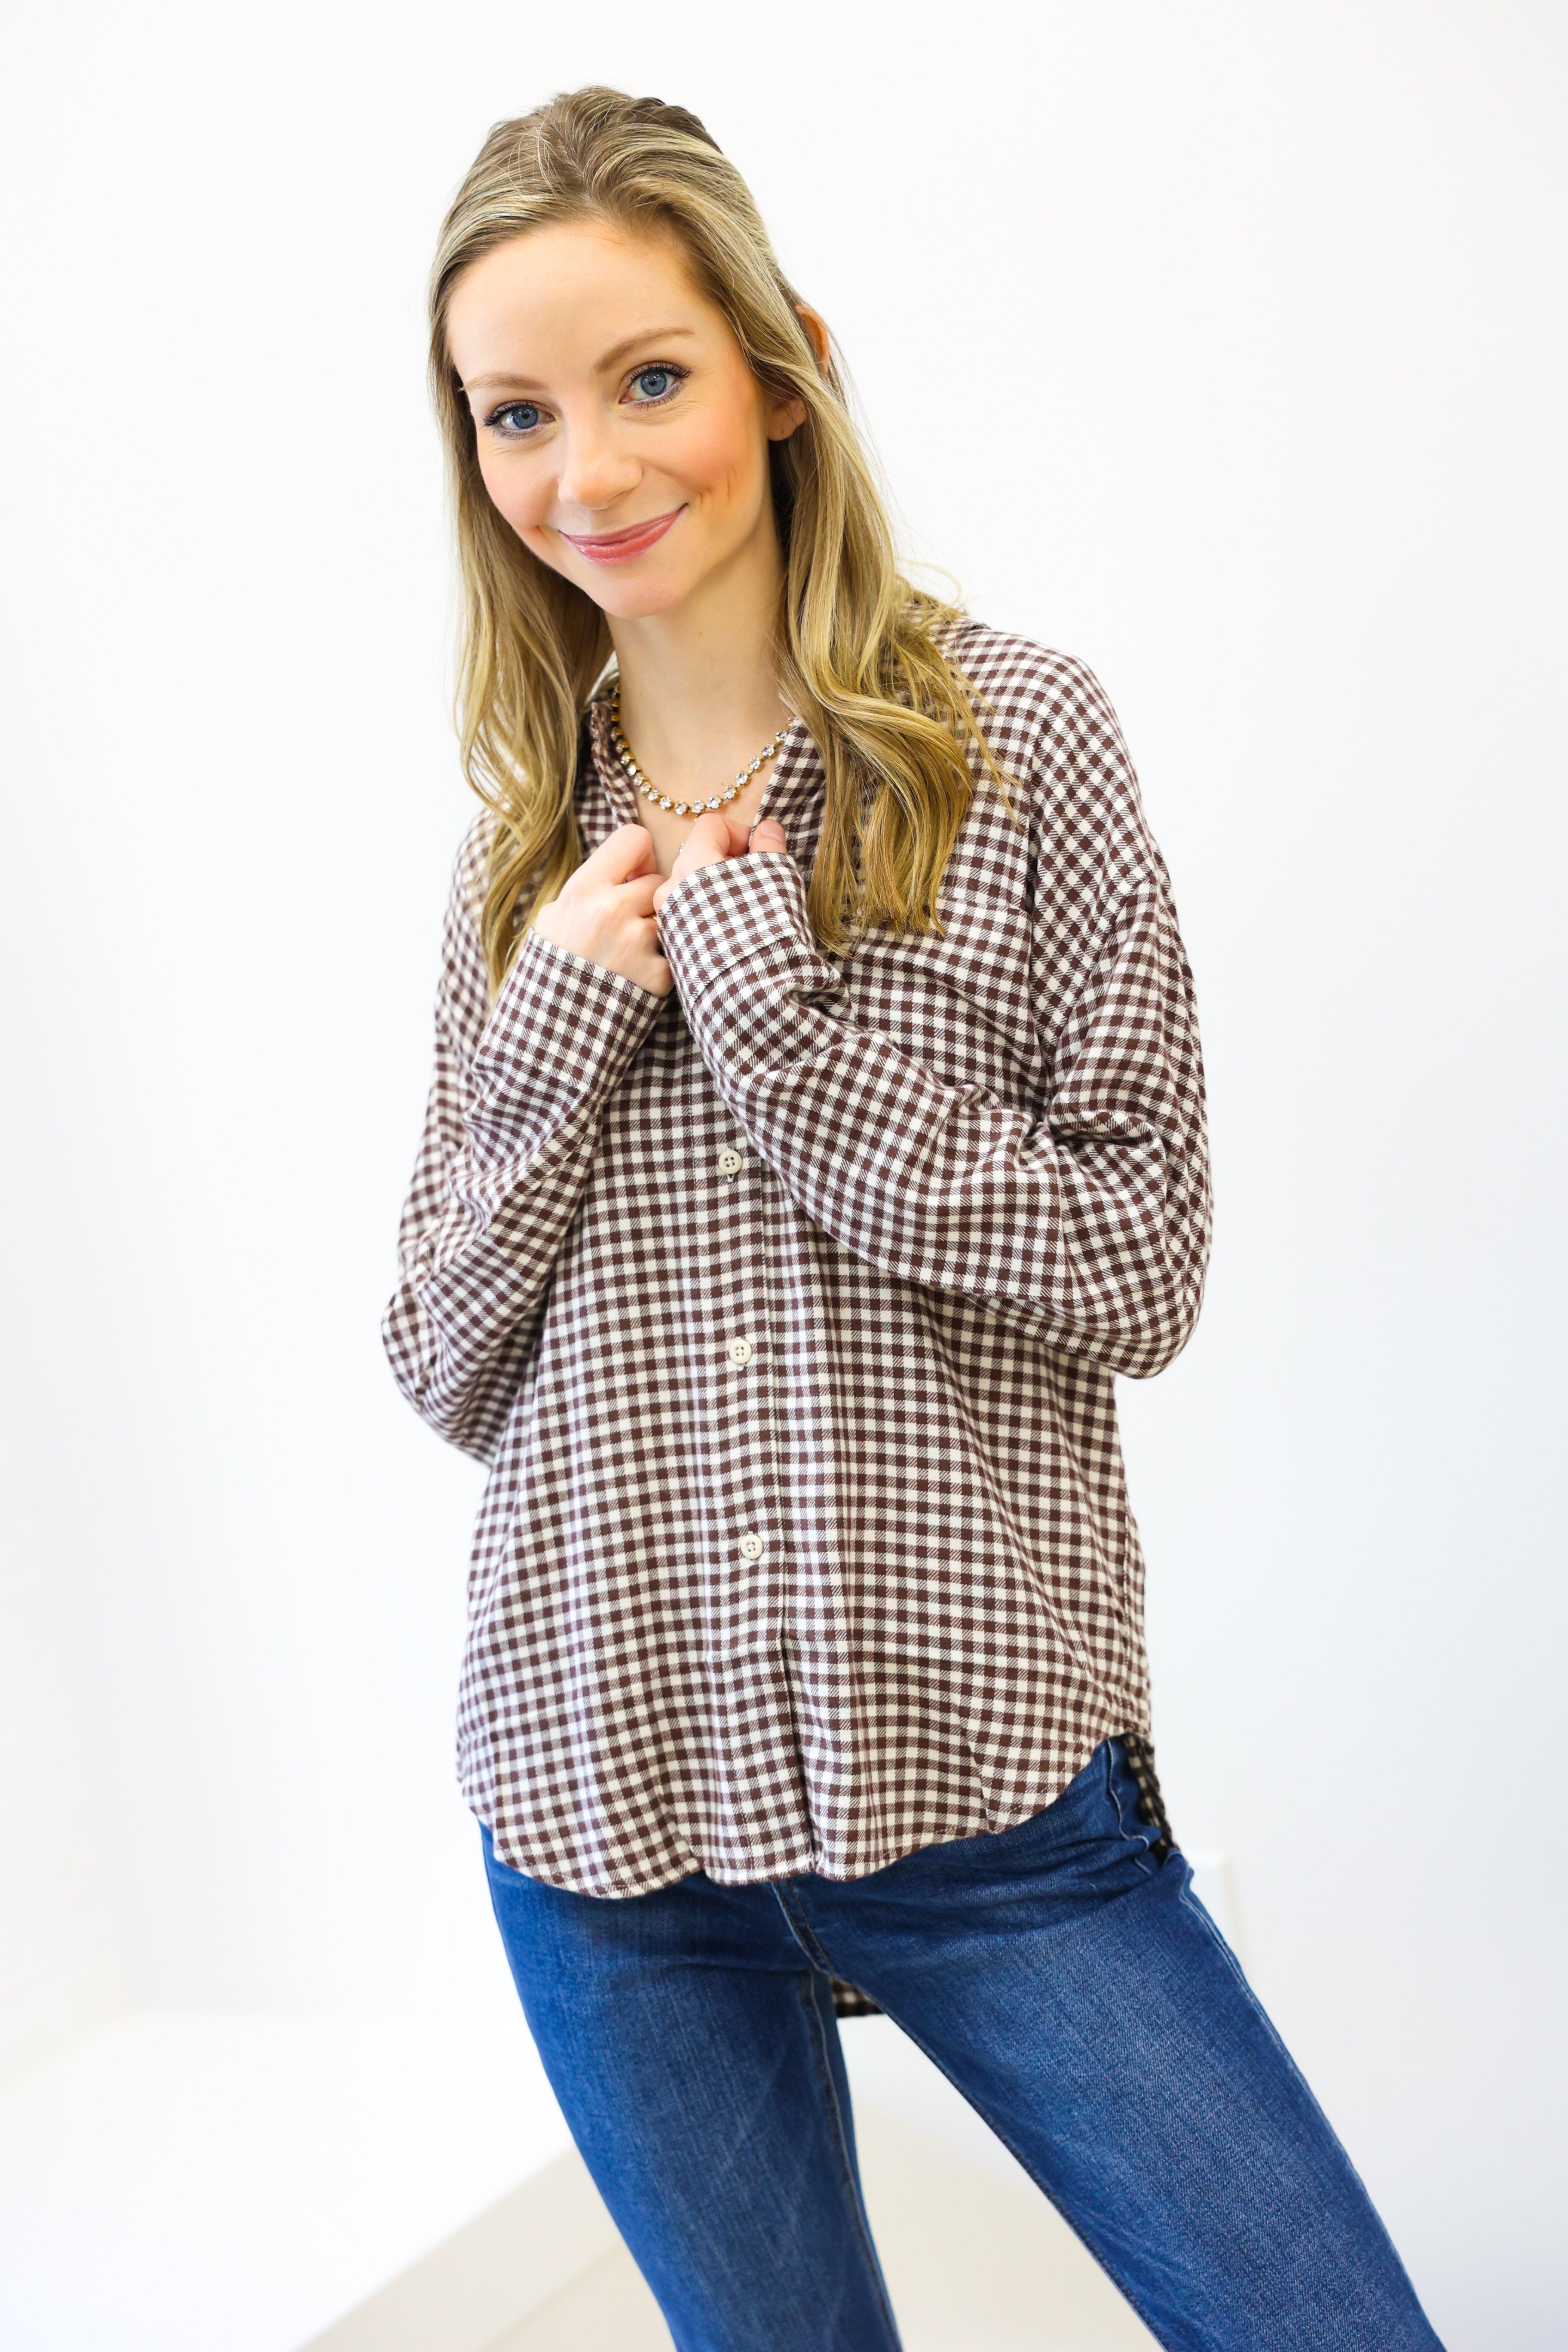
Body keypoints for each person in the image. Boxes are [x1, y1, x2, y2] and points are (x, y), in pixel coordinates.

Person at [382, 84, 1442, 2352]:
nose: (590, 470)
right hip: (599, 1822)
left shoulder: (1021, 745)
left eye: (649, 378)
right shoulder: (509, 862)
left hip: (982, 1791)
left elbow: (1143, 1266)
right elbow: (444, 1362)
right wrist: (562, 1027)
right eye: (518, 413)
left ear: (781, 370)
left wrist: (771, 1014)